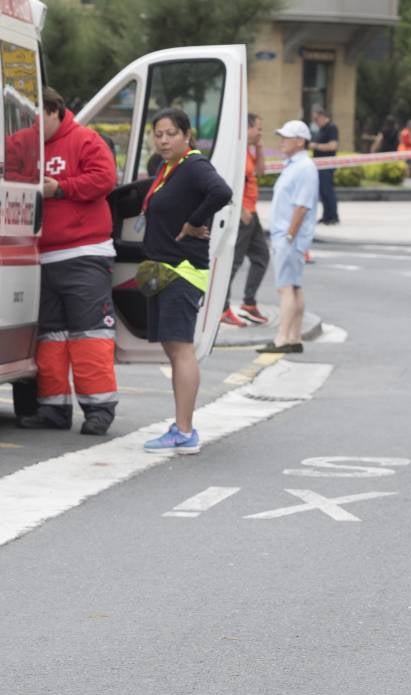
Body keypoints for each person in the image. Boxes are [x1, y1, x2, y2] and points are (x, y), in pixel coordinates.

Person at [16, 87, 118, 435]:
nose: (34, 127)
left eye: (38, 118)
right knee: (51, 338)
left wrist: (59, 188)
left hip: (84, 253)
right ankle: (54, 408)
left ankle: (99, 410)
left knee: (89, 336)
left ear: (55, 111)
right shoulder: (26, 143)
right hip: (42, 257)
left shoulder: (85, 140)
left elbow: (105, 179)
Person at [137, 107, 232, 455]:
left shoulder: (194, 166)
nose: (163, 140)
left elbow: (221, 192)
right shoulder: (168, 169)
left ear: (187, 135)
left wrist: (194, 222)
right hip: (164, 270)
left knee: (181, 350)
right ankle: (181, 427)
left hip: (182, 271)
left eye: (171, 134)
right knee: (173, 349)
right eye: (158, 134)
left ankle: (185, 431)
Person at [260, 120, 318, 354]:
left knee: (285, 288)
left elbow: (301, 207)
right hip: (288, 236)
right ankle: (294, 337)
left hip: (289, 236)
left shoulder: (304, 167)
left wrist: (289, 236)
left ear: (300, 141)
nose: (282, 141)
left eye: (286, 137)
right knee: (294, 287)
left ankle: (282, 338)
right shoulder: (295, 165)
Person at [222, 112, 269, 327]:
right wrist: (240, 210)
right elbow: (228, 183)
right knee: (233, 262)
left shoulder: (248, 151)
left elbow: (260, 172)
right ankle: (222, 308)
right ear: (247, 128)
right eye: (258, 129)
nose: (260, 133)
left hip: (252, 213)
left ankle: (249, 304)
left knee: (261, 257)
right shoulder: (237, 152)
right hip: (243, 215)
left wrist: (259, 148)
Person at [310, 106, 339, 225]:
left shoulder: (331, 127)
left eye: (316, 119)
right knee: (322, 191)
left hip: (327, 165)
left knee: (327, 191)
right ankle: (326, 215)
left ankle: (333, 216)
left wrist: (315, 146)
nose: (315, 122)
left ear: (322, 116)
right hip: (319, 165)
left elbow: (333, 146)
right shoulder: (321, 129)